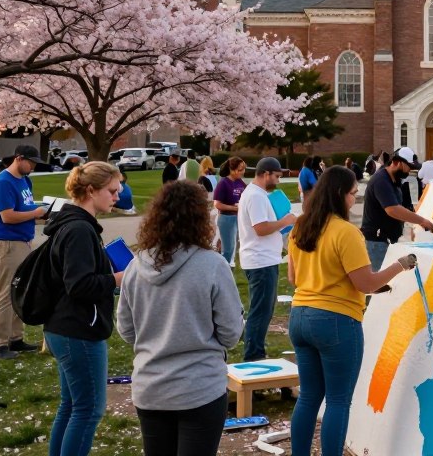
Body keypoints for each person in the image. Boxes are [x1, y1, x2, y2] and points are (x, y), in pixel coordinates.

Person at [287, 166, 418, 456]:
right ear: (338, 195)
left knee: (308, 397)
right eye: (351, 194)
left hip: (299, 317)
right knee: (337, 400)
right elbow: (366, 283)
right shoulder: (346, 233)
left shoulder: (300, 225)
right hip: (335, 321)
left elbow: (294, 278)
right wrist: (400, 266)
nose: (352, 200)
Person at [118, 180, 244, 456]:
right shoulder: (213, 265)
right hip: (199, 388)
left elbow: (126, 330)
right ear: (200, 218)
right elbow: (231, 333)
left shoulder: (133, 267)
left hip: (151, 387)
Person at [43, 162, 124, 456]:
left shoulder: (77, 225)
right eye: (112, 190)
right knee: (88, 410)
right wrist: (118, 278)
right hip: (78, 330)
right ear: (91, 190)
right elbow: (78, 285)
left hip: (65, 327)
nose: (118, 196)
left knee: (72, 406)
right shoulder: (79, 229)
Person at [0, 144, 47, 361]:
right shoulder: (4, 182)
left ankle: (15, 338)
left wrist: (42, 214)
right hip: (9, 243)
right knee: (5, 294)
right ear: (18, 158)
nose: (33, 166)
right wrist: (36, 213)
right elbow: (7, 216)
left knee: (19, 290)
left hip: (23, 241)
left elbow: (26, 208)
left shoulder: (25, 180)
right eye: (30, 162)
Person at [238, 157, 297, 361]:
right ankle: (253, 355)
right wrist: (284, 222)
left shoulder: (259, 194)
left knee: (264, 310)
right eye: (277, 176)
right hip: (260, 261)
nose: (278, 181)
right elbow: (261, 228)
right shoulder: (255, 196)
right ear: (266, 174)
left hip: (264, 259)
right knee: (260, 312)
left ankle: (256, 350)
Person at [360, 147, 433, 271]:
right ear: (397, 162)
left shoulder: (394, 181)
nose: (410, 170)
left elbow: (401, 207)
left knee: (385, 280)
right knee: (377, 283)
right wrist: (421, 221)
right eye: (409, 167)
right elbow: (393, 209)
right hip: (377, 242)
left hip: (387, 240)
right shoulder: (381, 180)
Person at [213, 157, 247, 267]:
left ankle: (228, 269)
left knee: (234, 249)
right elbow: (217, 204)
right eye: (240, 169)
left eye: (243, 169)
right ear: (231, 170)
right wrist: (234, 208)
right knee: (228, 249)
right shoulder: (223, 183)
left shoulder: (240, 182)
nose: (242, 172)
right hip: (226, 218)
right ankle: (223, 271)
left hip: (237, 218)